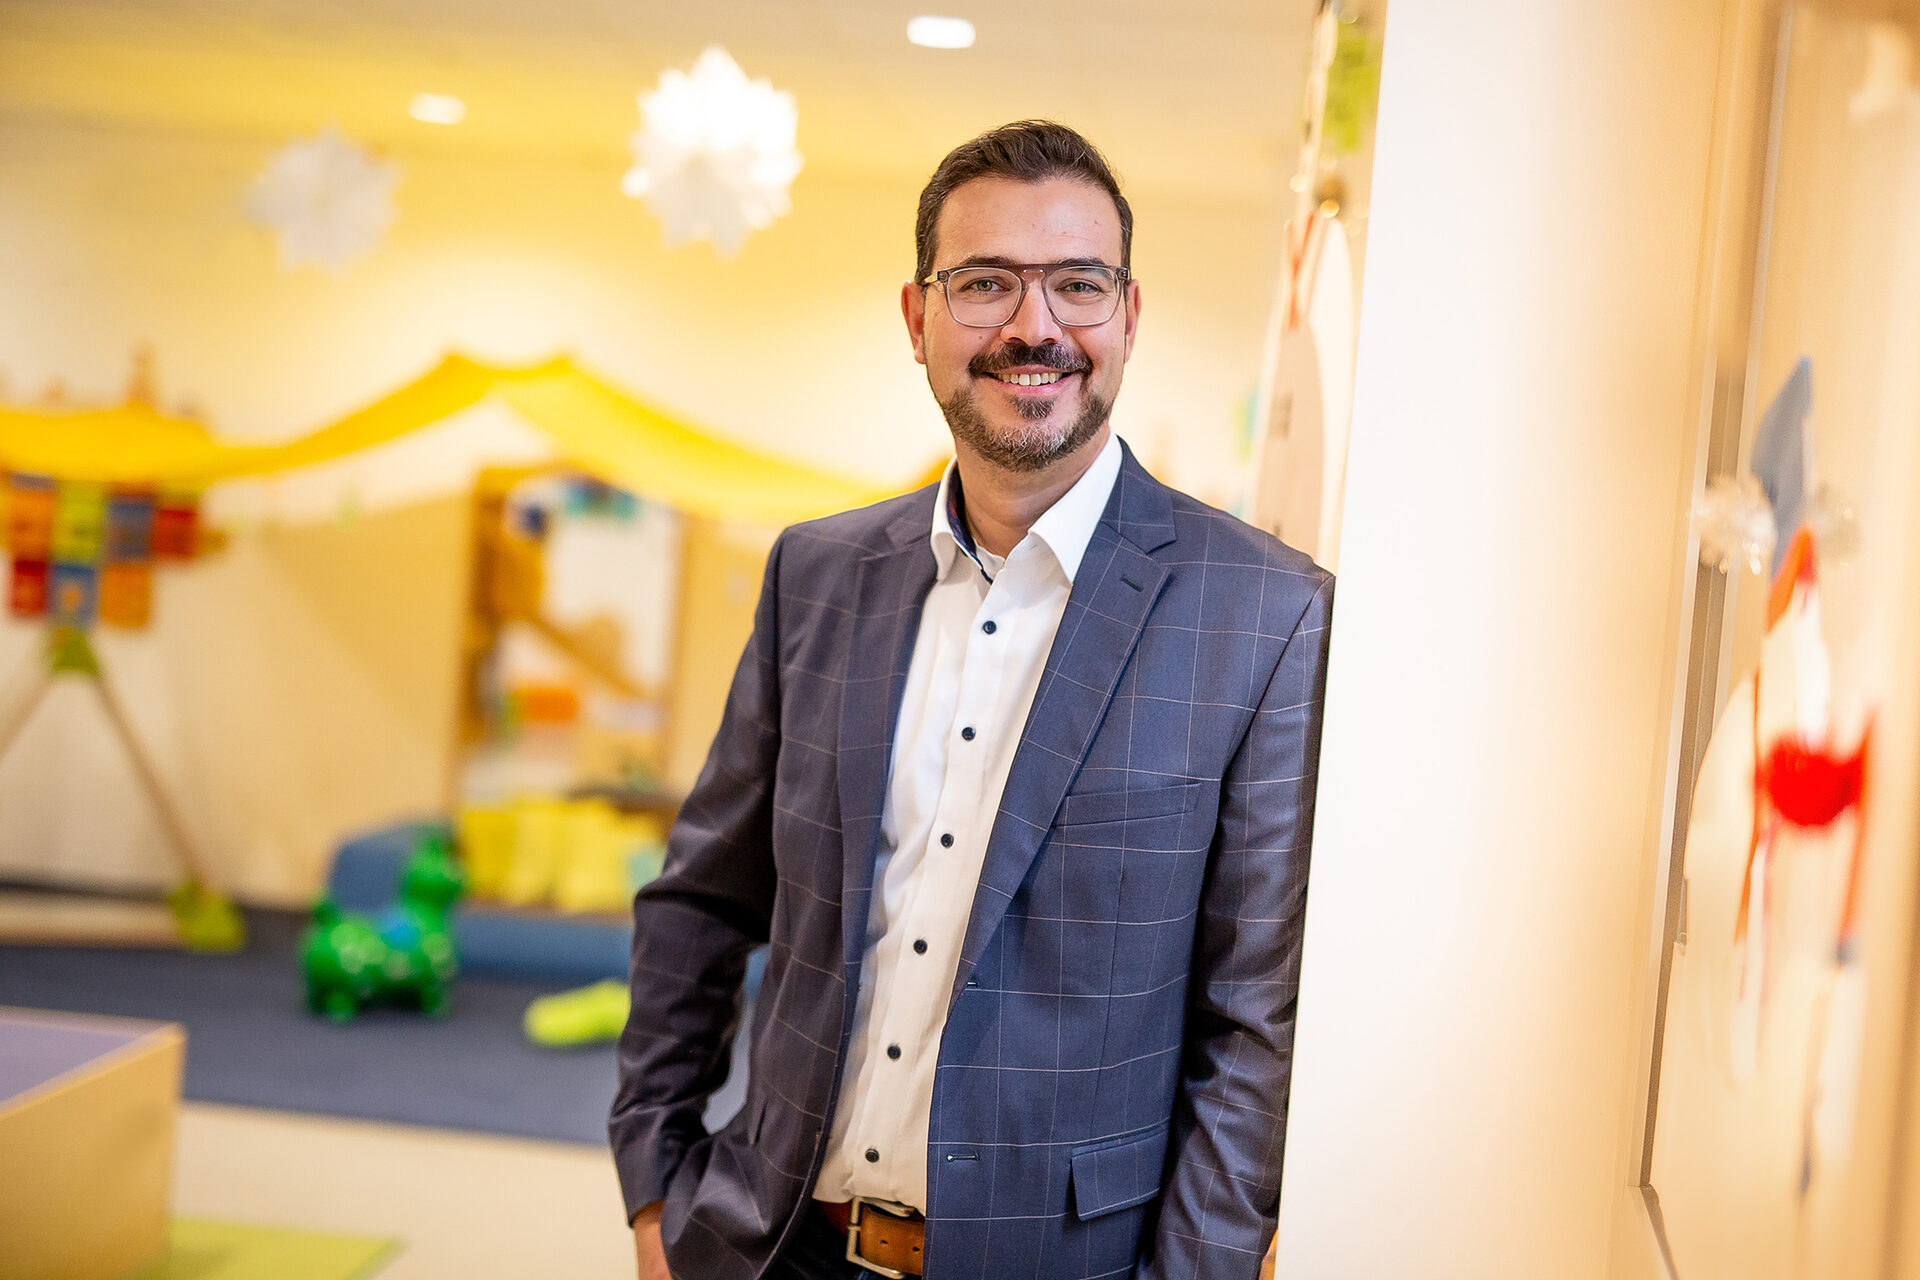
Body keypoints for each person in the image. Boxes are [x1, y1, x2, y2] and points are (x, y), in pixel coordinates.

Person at [611, 119, 1334, 1280]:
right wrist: (656, 1188)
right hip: (775, 1245)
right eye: (986, 282)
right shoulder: (816, 575)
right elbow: (702, 895)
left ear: (1129, 316)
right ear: (918, 319)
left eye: (1078, 284)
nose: (1033, 326)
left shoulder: (1265, 614)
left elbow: (1254, 1022)